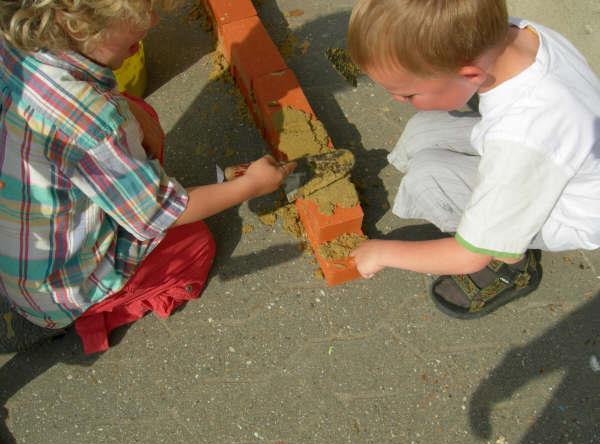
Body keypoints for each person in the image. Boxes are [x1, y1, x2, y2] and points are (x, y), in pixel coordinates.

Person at [0, 0, 295, 353]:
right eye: (138, 19)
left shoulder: (15, 44)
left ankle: (124, 186)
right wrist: (249, 186)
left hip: (23, 232)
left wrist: (127, 119)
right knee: (196, 245)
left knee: (137, 113)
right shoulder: (95, 121)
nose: (152, 21)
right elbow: (155, 215)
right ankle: (98, 313)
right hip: (59, 289)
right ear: (79, 27)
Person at [347, 0, 600, 318]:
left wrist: (382, 253)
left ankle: (511, 260)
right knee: (423, 132)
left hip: (569, 212)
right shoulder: (517, 34)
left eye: (409, 94)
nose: (397, 100)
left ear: (469, 73)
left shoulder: (524, 137)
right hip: (560, 153)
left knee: (429, 178)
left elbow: (468, 256)